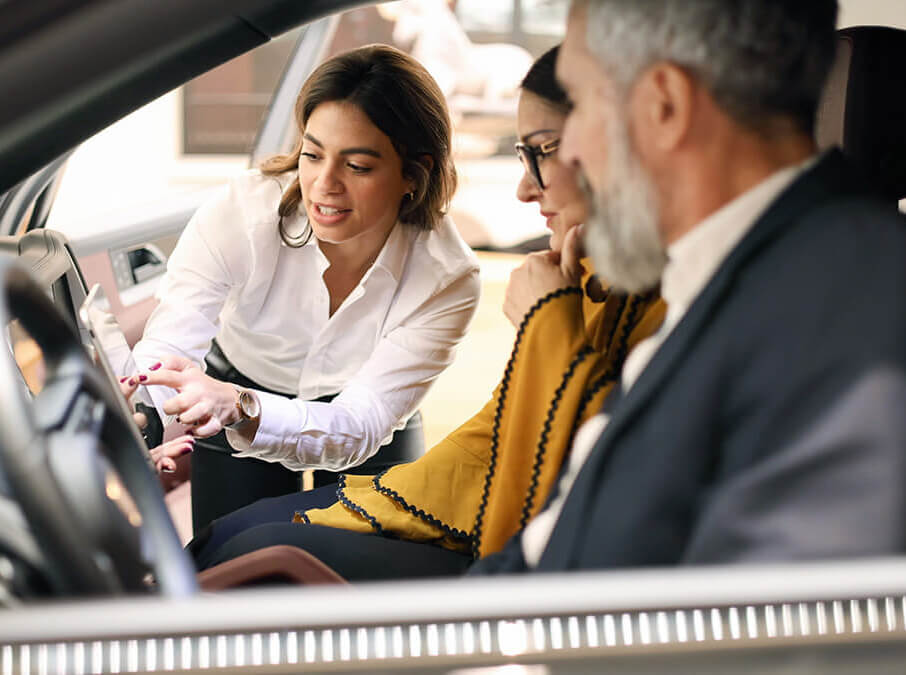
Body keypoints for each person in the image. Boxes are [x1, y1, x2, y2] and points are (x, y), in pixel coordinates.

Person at [185, 46, 666, 580]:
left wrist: (548, 319)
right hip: (257, 395)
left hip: (494, 535)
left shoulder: (467, 277)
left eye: (543, 152)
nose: (524, 188)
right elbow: (504, 436)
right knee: (223, 539)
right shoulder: (599, 280)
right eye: (312, 154)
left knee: (247, 558)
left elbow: (573, 463)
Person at [470, 0, 906, 575]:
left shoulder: (845, 312)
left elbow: (778, 644)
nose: (571, 152)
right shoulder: (730, 279)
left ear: (664, 105)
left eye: (582, 107)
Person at [133, 44, 481, 535]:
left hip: (365, 421)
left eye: (357, 166)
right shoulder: (242, 210)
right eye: (312, 155)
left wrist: (240, 405)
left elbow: (358, 426)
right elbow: (172, 338)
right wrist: (144, 417)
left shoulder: (447, 278)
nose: (324, 184)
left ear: (413, 174)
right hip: (235, 389)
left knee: (367, 583)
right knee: (230, 565)